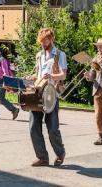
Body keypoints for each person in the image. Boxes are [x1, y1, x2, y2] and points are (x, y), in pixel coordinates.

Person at [25, 28, 67, 166]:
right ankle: (42, 157)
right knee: (33, 127)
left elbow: (63, 75)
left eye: (46, 40)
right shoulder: (39, 55)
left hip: (51, 94)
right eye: (41, 41)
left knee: (53, 128)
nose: (43, 43)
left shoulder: (60, 54)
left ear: (51, 39)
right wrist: (31, 77)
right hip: (38, 93)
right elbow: (38, 74)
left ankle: (60, 153)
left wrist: (52, 76)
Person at [0, 45, 19, 120]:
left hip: (1, 81)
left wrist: (6, 82)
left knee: (1, 99)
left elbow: (6, 72)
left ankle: (14, 109)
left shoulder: (2, 60)